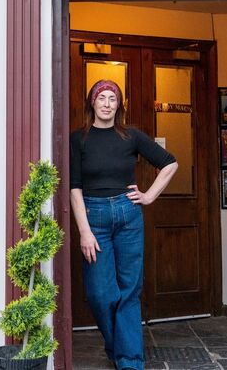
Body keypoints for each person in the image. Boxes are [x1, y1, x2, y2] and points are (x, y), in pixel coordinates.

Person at [70, 79, 178, 370]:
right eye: (101, 98)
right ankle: (116, 346)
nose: (107, 103)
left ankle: (130, 361)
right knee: (100, 293)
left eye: (112, 99)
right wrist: (84, 231)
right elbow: (74, 188)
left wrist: (149, 195)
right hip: (94, 218)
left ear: (119, 105)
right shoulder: (78, 139)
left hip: (128, 214)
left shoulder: (131, 136)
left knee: (129, 289)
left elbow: (169, 163)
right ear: (92, 102)